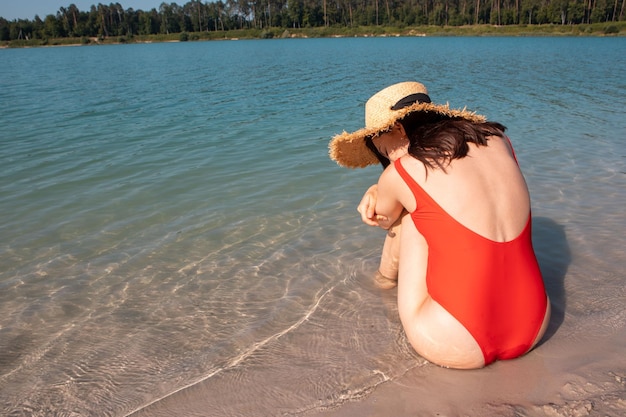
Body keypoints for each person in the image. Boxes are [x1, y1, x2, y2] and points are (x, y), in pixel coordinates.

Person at [328, 81, 551, 369]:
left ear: (397, 130)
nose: (385, 159)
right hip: (534, 324)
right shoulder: (498, 140)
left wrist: (377, 189)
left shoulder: (402, 170)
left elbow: (381, 218)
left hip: (454, 340)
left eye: (381, 150)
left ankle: (382, 282)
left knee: (409, 214)